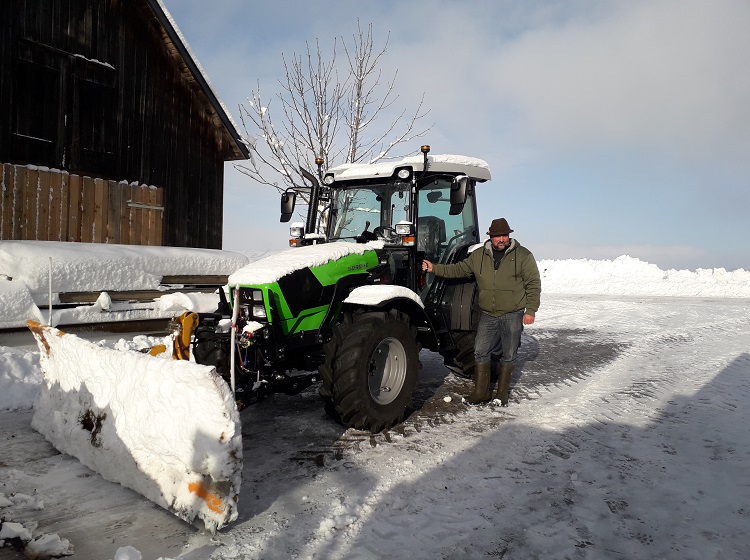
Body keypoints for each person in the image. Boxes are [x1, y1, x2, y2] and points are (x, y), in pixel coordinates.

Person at [422, 218, 541, 406]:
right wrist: (434, 268)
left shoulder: (523, 255)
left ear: (509, 236)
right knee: (480, 351)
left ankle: (501, 394)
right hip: (488, 314)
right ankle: (481, 392)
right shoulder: (479, 255)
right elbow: (459, 269)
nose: (501, 239)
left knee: (509, 354)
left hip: (512, 313)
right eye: (497, 236)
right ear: (490, 237)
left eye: (504, 235)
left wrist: (531, 310)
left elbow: (533, 284)